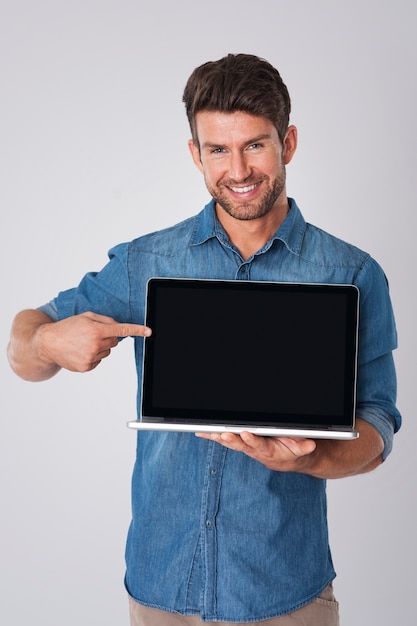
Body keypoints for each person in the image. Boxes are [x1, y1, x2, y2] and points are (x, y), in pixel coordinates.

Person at [7, 53, 401, 625]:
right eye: (218, 149)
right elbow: (22, 343)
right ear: (196, 154)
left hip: (285, 591)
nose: (238, 170)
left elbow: (379, 423)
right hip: (161, 587)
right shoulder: (146, 261)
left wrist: (304, 460)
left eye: (255, 145)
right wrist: (46, 345)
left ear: (288, 142)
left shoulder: (351, 272)